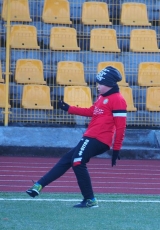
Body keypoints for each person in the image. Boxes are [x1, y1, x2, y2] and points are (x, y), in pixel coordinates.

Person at [26, 66, 127, 208]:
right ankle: (38, 185)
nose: (97, 86)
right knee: (67, 159)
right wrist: (69, 108)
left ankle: (90, 200)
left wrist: (116, 149)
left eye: (100, 83)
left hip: (98, 139)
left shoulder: (118, 99)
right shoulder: (102, 97)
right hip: (90, 137)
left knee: (78, 161)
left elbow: (121, 126)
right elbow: (92, 111)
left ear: (109, 84)